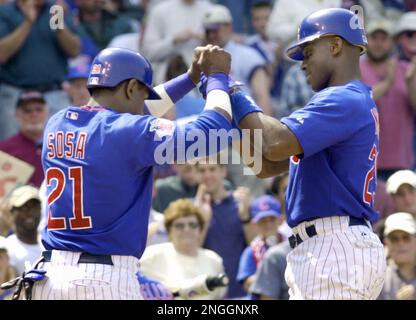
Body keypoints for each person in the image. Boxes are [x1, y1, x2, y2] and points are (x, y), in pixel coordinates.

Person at [28, 45, 234, 300]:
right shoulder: (125, 130)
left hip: (49, 277)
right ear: (130, 88)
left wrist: (190, 77)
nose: (144, 103)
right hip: (101, 280)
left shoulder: (58, 122)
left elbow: (133, 117)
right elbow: (214, 133)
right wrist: (217, 79)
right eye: (142, 93)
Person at [229, 8, 386, 299]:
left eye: (309, 52)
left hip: (334, 249)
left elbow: (275, 142)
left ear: (336, 45)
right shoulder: (350, 100)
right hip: (332, 248)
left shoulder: (342, 98)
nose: (302, 64)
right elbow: (264, 165)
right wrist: (231, 116)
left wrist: (235, 93)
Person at [0, 0, 80, 139]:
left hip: (54, 92)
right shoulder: (5, 12)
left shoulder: (56, 9)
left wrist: (58, 24)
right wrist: (28, 22)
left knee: (63, 148)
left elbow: (74, 50)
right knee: (11, 153)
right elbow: (2, 53)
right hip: (15, 94)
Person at [360, 19, 416, 181]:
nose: (378, 43)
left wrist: (410, 82)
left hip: (402, 161)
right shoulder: (356, 69)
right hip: (367, 162)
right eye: (374, 38)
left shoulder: (406, 69)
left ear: (392, 41)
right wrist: (388, 83)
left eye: (383, 39)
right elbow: (359, 102)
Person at [140, 199, 226, 300]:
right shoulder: (151, 255)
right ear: (169, 230)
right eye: (179, 226)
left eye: (192, 225)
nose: (187, 229)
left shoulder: (214, 259)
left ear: (200, 229)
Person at [196, 162, 257, 299]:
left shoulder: (240, 203)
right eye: (202, 171)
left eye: (212, 169)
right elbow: (190, 251)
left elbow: (256, 246)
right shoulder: (193, 208)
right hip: (209, 289)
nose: (207, 175)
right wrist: (202, 220)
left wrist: (245, 216)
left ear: (223, 171)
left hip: (240, 288)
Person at [203, 4, 273, 116]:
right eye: (208, 31)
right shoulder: (201, 59)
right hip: (210, 124)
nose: (211, 35)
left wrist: (261, 132)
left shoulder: (247, 55)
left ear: (229, 27)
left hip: (242, 123)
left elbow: (262, 96)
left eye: (215, 30)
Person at [141, 0, 212, 84]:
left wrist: (209, 41)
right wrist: (173, 40)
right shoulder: (160, 10)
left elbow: (223, 49)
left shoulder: (210, 10)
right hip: (167, 83)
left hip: (202, 83)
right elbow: (148, 53)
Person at [237, 195, 283, 294]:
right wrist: (273, 275)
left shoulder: (290, 244)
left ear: (280, 220)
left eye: (272, 219)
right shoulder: (251, 251)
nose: (268, 224)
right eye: (263, 221)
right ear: (255, 224)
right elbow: (247, 284)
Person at [0, 91, 48, 188]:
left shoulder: (58, 145)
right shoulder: (4, 149)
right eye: (28, 110)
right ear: (18, 115)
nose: (34, 114)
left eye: (39, 109)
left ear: (46, 112)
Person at [4, 185, 43, 275]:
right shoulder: (6, 249)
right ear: (12, 212)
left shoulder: (50, 245)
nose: (30, 213)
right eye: (24, 208)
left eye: (35, 207)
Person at [378, 212, 416, 300]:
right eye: (394, 239)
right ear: (386, 243)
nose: (401, 243)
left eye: (406, 238)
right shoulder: (379, 279)